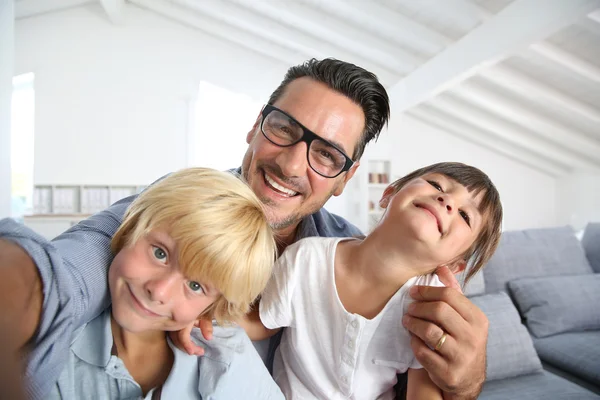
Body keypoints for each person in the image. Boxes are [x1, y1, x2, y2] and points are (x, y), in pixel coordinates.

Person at [0, 58, 489, 399]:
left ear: (346, 179)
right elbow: (73, 266)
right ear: (256, 127)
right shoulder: (185, 203)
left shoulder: (344, 252)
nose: (293, 164)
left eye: (326, 155)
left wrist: (463, 384)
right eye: (284, 129)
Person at [0, 168, 283, 399]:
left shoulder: (227, 359)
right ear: (129, 230)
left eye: (195, 286)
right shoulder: (55, 346)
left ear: (212, 307)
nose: (158, 291)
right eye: (159, 253)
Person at [236, 162, 503, 399]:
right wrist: (207, 313)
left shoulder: (434, 303)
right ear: (389, 194)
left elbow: (423, 388)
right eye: (436, 184)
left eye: (465, 216)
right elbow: (261, 323)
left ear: (455, 264)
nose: (447, 201)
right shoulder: (306, 257)